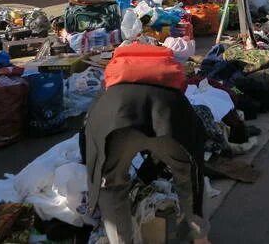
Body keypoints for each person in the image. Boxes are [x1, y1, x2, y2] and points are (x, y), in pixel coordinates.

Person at [83, 58, 210, 244]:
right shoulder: (170, 88)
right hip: (168, 118)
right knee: (189, 177)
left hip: (117, 126)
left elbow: (90, 134)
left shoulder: (108, 92)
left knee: (111, 185)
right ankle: (200, 239)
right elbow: (194, 139)